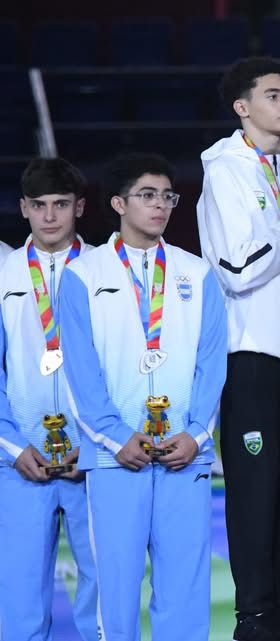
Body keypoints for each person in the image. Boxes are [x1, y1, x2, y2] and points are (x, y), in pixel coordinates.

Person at [59, 152, 227, 641]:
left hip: (184, 453)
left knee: (185, 585)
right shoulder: (83, 275)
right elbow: (80, 369)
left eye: (167, 197)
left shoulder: (196, 273)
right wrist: (113, 437)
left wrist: (196, 433)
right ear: (118, 203)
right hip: (115, 459)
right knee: (116, 583)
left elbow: (211, 363)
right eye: (147, 195)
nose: (160, 206)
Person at [197, 56, 280, 641]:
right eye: (273, 94)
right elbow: (240, 268)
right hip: (250, 352)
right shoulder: (226, 170)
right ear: (242, 108)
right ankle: (253, 616)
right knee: (256, 492)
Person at [0, 157, 97, 641]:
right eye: (39, 206)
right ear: (23, 209)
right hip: (19, 458)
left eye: (61, 204)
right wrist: (13, 448)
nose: (51, 216)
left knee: (103, 590)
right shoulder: (3, 274)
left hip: (95, 457)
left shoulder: (107, 270)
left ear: (80, 206)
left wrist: (101, 443)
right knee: (18, 594)